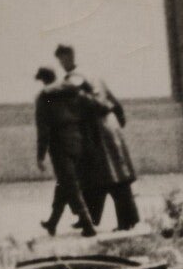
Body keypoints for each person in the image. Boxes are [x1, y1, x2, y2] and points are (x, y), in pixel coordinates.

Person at [55, 43, 140, 233]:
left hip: (98, 132)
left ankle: (126, 222)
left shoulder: (74, 80)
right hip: (108, 128)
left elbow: (89, 105)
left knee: (111, 178)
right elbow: (113, 101)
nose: (61, 63)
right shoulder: (92, 75)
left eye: (61, 59)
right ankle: (90, 217)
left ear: (68, 57)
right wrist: (118, 119)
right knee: (95, 177)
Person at [34, 66, 98, 237]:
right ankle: (52, 222)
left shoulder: (45, 96)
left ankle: (87, 224)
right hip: (77, 142)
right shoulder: (72, 90)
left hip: (59, 144)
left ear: (43, 80)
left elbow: (43, 128)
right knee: (65, 182)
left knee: (69, 184)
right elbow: (90, 109)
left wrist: (40, 155)